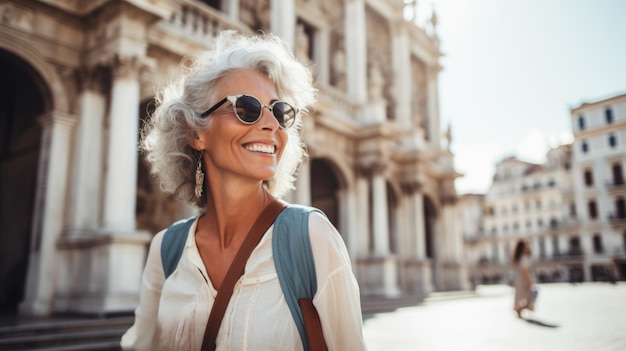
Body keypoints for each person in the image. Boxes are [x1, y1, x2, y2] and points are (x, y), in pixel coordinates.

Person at [120, 31, 367, 350]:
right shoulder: (166, 250)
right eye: (247, 108)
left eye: (280, 112)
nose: (271, 125)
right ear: (196, 133)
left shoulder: (311, 236)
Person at [511, 239, 536, 318]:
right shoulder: (524, 257)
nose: (529, 247)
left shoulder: (517, 257)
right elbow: (524, 270)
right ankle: (520, 308)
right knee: (528, 296)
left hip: (518, 279)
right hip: (523, 279)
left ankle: (518, 308)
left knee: (520, 296)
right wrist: (529, 281)